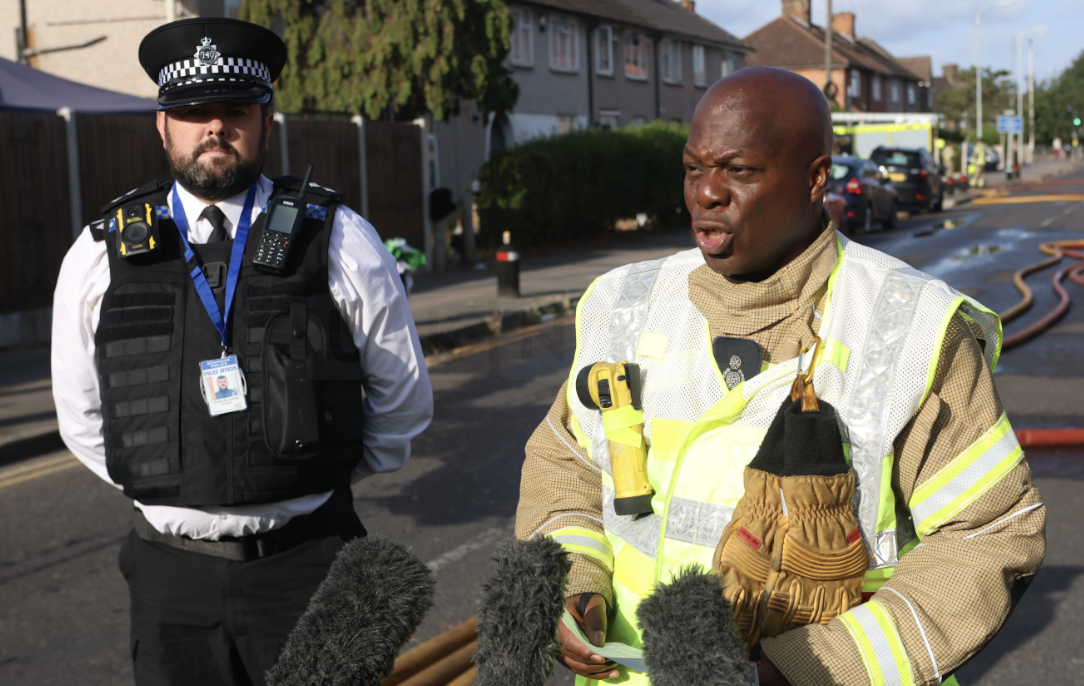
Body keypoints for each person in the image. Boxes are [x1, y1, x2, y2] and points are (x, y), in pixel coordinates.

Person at [516, 67, 1044, 686]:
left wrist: (806, 669)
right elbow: (565, 464)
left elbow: (987, 533)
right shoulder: (625, 303)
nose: (705, 194)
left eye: (738, 170)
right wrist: (574, 584)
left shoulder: (911, 329)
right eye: (693, 168)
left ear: (816, 177)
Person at [50, 17, 433, 686]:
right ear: (162, 125)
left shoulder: (339, 237)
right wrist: (174, 485)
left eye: (234, 110)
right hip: (172, 581)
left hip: (311, 566)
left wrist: (306, 479)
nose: (214, 127)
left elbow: (402, 398)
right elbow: (82, 417)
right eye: (194, 111)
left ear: (265, 121)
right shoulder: (98, 254)